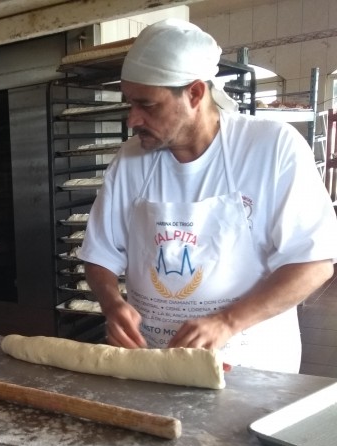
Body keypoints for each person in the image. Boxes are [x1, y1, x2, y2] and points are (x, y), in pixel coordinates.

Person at [77, 19, 337, 373]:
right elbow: (100, 255)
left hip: (251, 367)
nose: (131, 119)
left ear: (195, 94)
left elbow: (314, 263)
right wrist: (112, 304)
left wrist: (228, 322)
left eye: (147, 105)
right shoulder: (130, 161)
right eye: (129, 103)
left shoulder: (272, 148)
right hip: (157, 366)